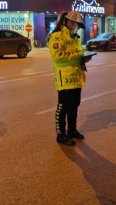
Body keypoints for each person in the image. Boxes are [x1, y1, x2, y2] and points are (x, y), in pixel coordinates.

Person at [46, 11, 91, 146]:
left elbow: (75, 56)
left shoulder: (74, 38)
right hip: (65, 79)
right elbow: (58, 56)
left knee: (74, 106)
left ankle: (72, 130)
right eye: (77, 25)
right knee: (63, 107)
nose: (77, 28)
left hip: (76, 78)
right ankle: (61, 134)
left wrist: (84, 58)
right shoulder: (58, 36)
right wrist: (79, 54)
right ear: (70, 22)